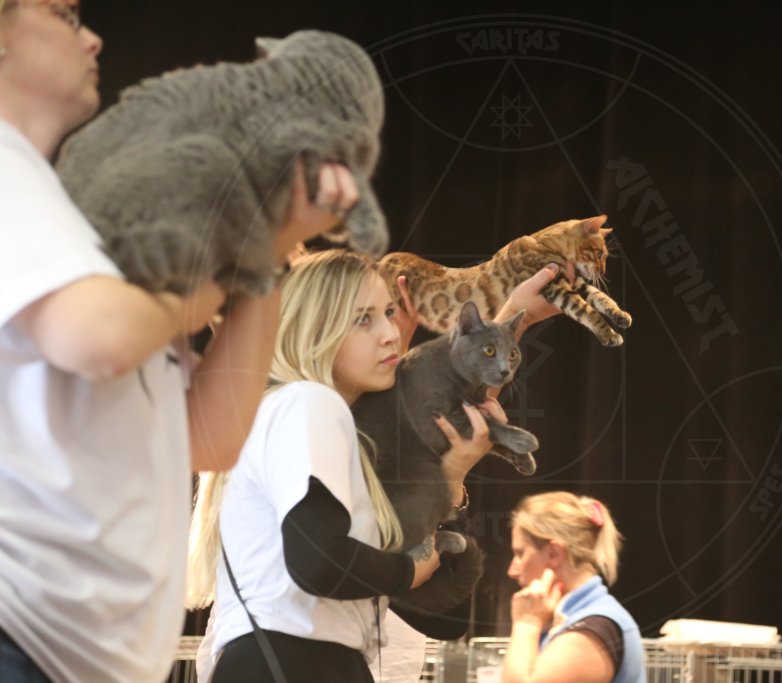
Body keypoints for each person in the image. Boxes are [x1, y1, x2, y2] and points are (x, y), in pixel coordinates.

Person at [0, 2, 349, 681]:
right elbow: (102, 336)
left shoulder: (67, 221)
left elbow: (208, 435)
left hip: (85, 656)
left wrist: (265, 246)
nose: (93, 37)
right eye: (65, 15)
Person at [189, 250, 566, 682]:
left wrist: (451, 475)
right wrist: (409, 571)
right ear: (315, 329)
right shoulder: (309, 403)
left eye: (388, 313)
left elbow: (442, 609)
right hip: (295, 664)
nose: (391, 333)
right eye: (363, 320)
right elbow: (318, 562)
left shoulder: (313, 422)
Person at [503, 491, 645, 683]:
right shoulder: (570, 619)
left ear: (553, 554)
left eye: (520, 554)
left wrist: (527, 623)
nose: (512, 570)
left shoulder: (594, 629)